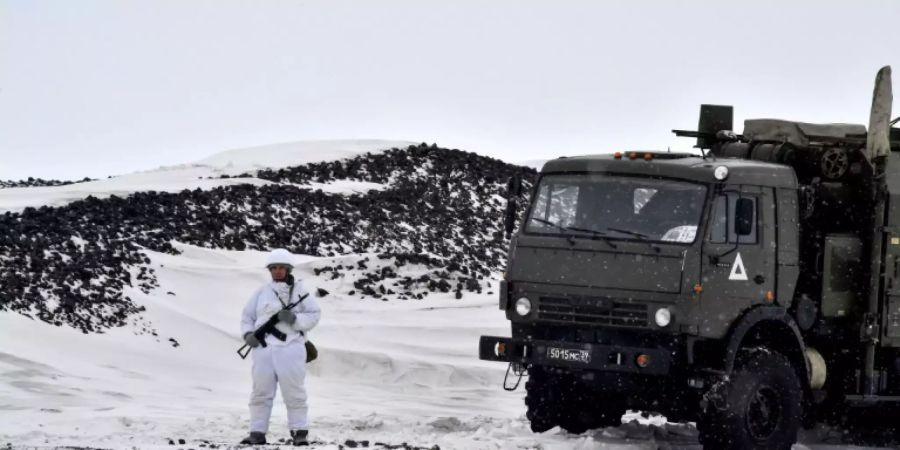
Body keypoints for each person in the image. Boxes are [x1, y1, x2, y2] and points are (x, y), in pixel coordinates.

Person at [240, 248, 322, 446]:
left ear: (288, 270)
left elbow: (314, 314)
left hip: (291, 347)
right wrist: (248, 334)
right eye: (274, 268)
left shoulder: (300, 291)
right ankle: (257, 432)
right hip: (263, 349)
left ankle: (299, 432)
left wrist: (295, 319)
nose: (277, 271)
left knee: (294, 391)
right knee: (260, 392)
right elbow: (247, 317)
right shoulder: (261, 292)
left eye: (281, 268)